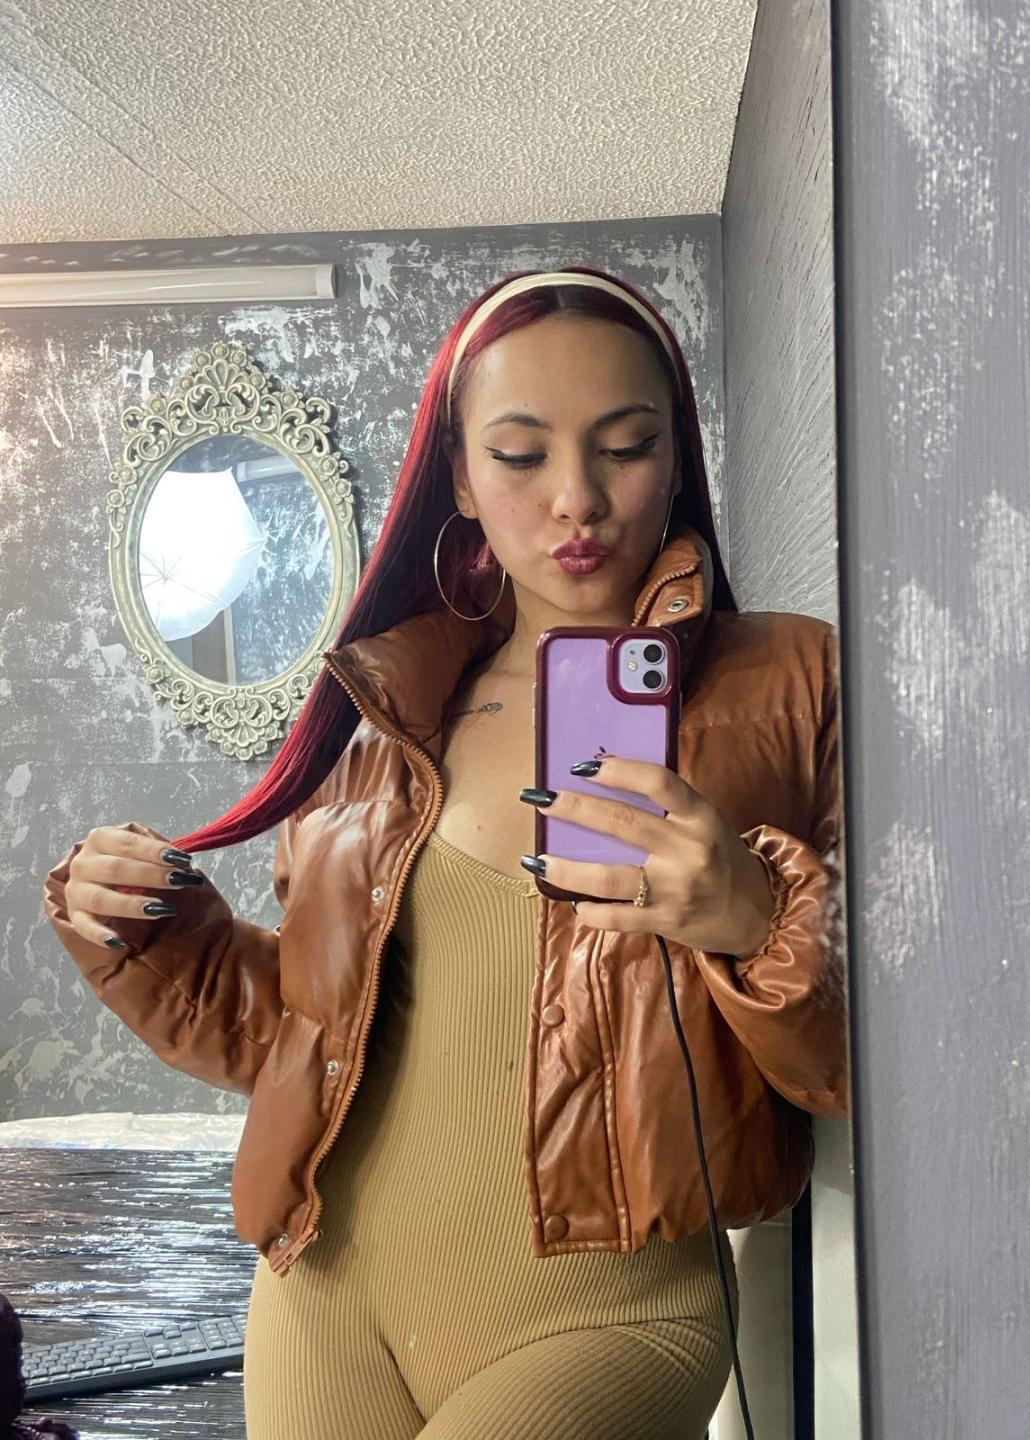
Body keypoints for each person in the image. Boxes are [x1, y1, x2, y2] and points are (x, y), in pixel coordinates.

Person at [42, 267, 847, 1439]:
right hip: (326, 1289)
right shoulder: (388, 719)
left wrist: (752, 918)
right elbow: (306, 1036)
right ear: (461, 477)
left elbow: (893, 1056)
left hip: (610, 1315)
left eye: (625, 445)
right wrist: (148, 931)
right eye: (520, 455)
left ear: (678, 457)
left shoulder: (791, 684)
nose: (577, 499)